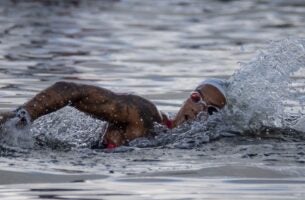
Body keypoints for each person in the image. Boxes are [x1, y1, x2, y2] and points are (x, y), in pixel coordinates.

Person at [0, 79, 227, 148]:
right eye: (197, 99)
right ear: (188, 98)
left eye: (213, 111)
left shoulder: (199, 145)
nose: (199, 110)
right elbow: (74, 90)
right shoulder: (143, 115)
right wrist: (23, 116)